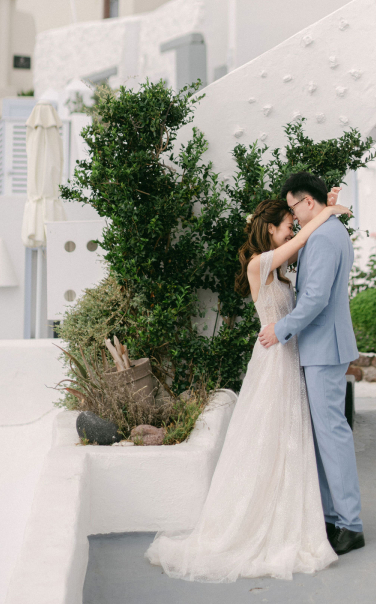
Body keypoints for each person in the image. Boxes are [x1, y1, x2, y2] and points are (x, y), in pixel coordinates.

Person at [146, 190, 350, 583]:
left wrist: (326, 204)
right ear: (271, 229)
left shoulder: (279, 269)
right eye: (286, 224)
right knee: (271, 436)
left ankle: (292, 514)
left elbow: (307, 253)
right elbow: (301, 241)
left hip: (289, 357)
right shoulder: (260, 263)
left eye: (293, 222)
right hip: (274, 361)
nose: (292, 227)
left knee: (290, 438)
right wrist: (327, 213)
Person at [258, 172, 364, 556]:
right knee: (325, 437)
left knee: (332, 436)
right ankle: (334, 517)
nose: (293, 216)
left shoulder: (322, 238)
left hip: (323, 349)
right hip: (323, 347)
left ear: (307, 202)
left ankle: (349, 524)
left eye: (293, 207)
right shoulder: (328, 231)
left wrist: (281, 329)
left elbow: (316, 297)